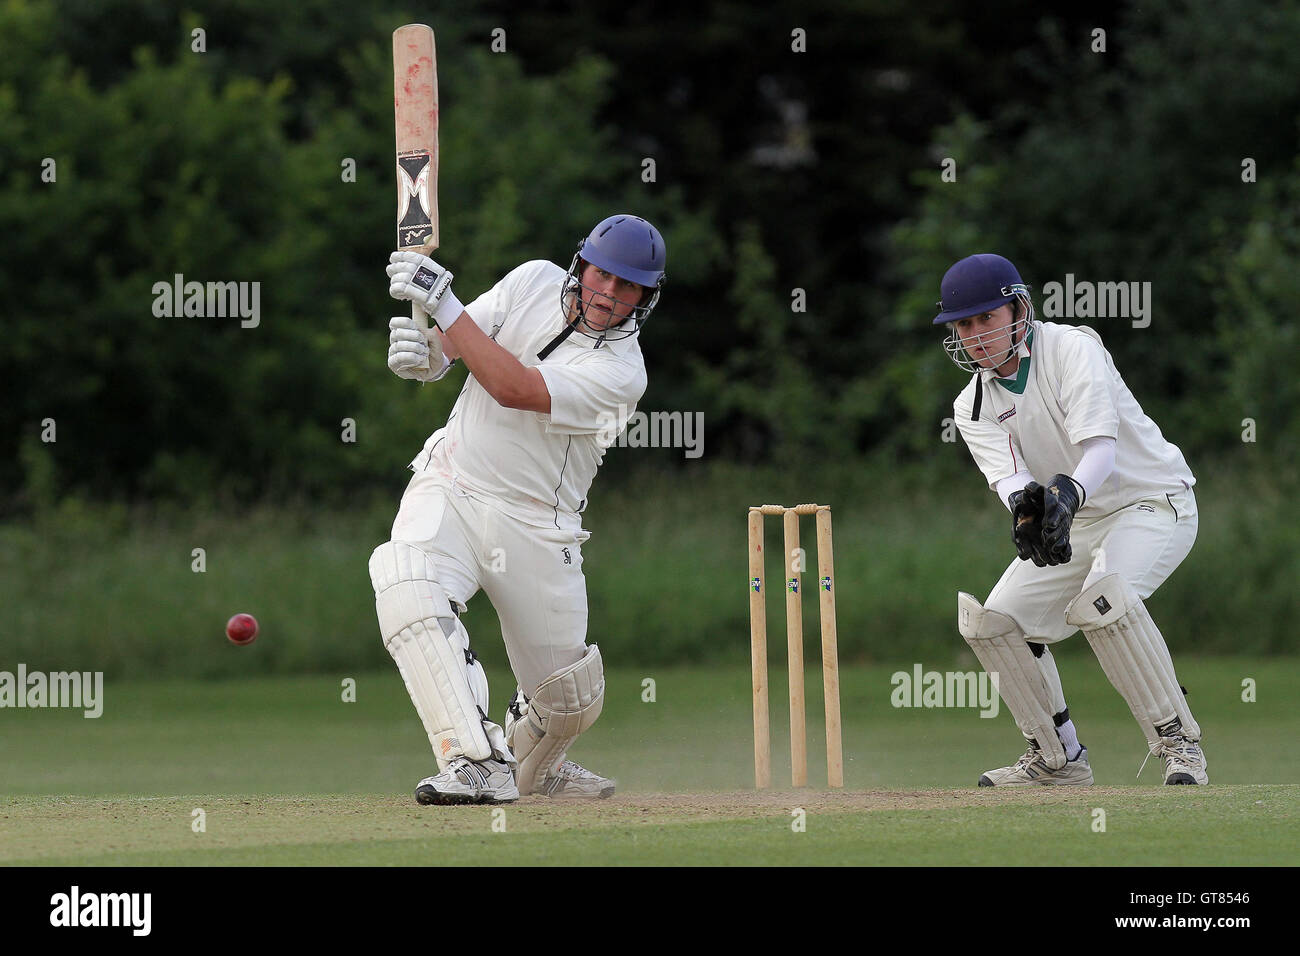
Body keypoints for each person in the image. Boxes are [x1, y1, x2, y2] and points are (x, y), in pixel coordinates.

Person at [368, 214, 666, 804]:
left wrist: (444, 304)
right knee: (404, 578)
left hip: (535, 525)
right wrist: (424, 354)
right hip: (452, 482)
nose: (608, 294)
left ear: (645, 298)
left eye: (626, 286)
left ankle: (541, 767)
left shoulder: (622, 375)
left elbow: (517, 388)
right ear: (581, 266)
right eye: (601, 275)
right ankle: (475, 761)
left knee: (568, 699)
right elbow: (454, 344)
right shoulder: (532, 281)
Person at [935, 253, 1207, 786]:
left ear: (1019, 310)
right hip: (1081, 520)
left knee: (1103, 600)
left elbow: (1100, 450)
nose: (976, 335)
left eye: (986, 318)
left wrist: (1067, 494)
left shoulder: (1071, 350)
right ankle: (1057, 760)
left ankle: (1180, 745)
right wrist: (1030, 513)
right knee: (996, 622)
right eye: (963, 325)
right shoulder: (971, 405)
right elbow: (1012, 481)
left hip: (1151, 501)